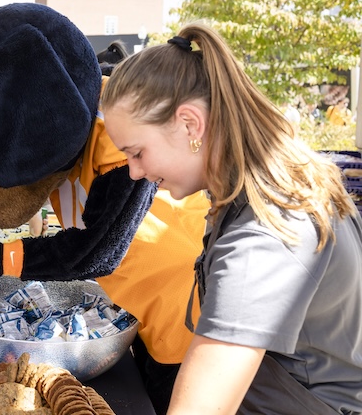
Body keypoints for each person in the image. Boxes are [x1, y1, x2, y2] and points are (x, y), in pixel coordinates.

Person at [100, 24, 362, 414]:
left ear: (190, 124)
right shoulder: (259, 188)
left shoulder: (268, 230)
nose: (134, 172)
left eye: (137, 152)